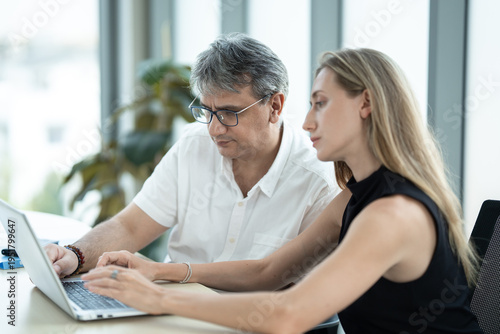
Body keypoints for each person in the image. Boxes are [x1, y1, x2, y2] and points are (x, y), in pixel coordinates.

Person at [82, 48, 482, 334]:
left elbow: (289, 315)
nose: (307, 122)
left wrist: (161, 299)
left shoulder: (393, 214)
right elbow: (269, 271)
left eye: (320, 104)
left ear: (366, 104)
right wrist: (158, 271)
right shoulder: (354, 197)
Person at [45, 33, 338, 279]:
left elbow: (280, 284)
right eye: (207, 111)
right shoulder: (194, 144)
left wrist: (164, 275)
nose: (213, 128)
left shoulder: (317, 181)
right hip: (172, 310)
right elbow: (130, 226)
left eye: (228, 113)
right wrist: (75, 254)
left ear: (275, 106)